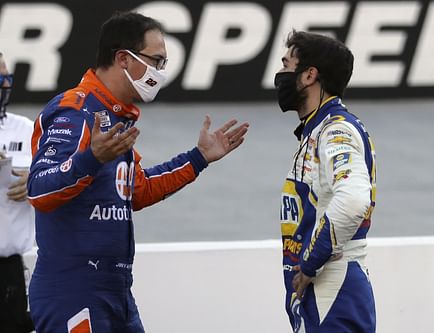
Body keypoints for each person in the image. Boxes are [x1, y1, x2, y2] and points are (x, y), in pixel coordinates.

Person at [27, 11, 249, 332]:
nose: (160, 72)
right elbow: (38, 190)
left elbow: (137, 190)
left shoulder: (116, 117)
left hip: (117, 292)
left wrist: (198, 158)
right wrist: (90, 158)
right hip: (73, 291)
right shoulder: (76, 111)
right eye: (156, 61)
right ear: (124, 59)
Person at [274, 31, 377, 332]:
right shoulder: (316, 130)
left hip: (333, 289)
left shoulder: (335, 130)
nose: (280, 74)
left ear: (309, 75)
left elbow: (355, 200)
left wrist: (309, 264)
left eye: (286, 64)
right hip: (327, 289)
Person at [0, 52, 36, 332]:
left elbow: (60, 176)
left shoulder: (26, 130)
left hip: (9, 267)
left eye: (6, 78)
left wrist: (34, 181)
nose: (4, 85)